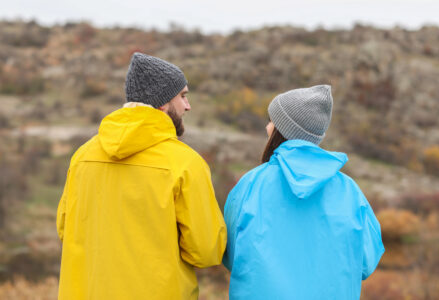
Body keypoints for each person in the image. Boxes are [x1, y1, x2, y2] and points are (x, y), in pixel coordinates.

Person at [56, 52, 227, 300]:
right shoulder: (185, 163)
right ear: (163, 102)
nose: (187, 106)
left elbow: (65, 229)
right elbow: (206, 250)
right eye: (183, 96)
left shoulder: (82, 156)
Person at [223, 85, 384, 300]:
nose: (267, 126)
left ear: (282, 129)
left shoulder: (251, 183)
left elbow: (231, 255)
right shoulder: (350, 191)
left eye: (272, 120)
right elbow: (366, 262)